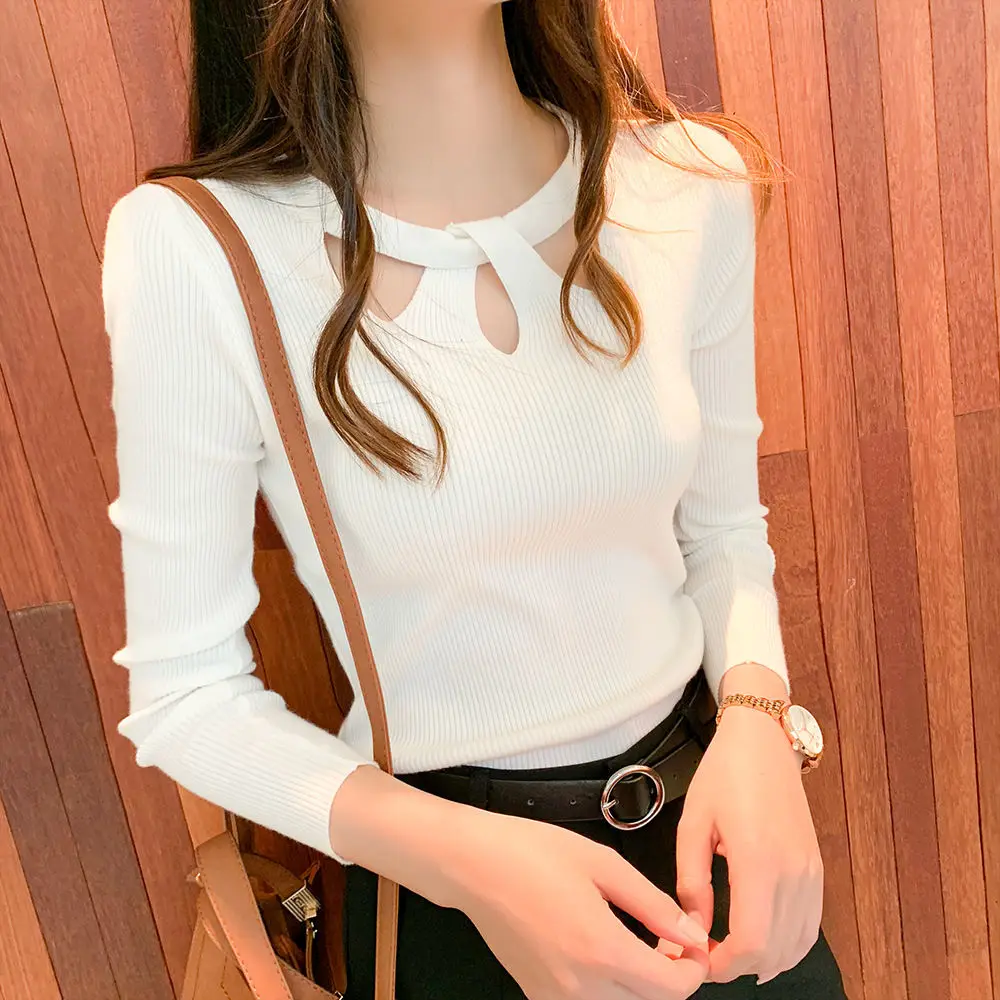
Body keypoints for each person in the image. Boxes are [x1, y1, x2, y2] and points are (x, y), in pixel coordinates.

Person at [102, 1, 846, 997]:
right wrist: (471, 864)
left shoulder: (684, 184)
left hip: (714, 855)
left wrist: (756, 721)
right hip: (450, 904)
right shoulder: (200, 245)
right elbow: (187, 697)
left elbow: (720, 534)